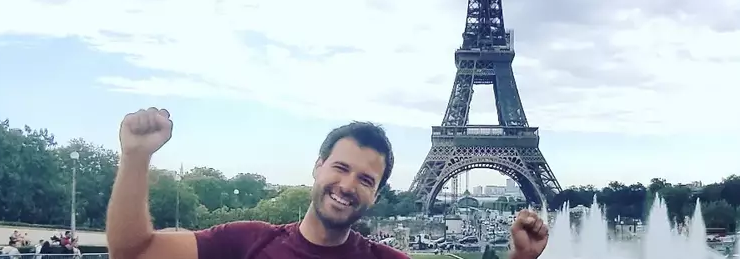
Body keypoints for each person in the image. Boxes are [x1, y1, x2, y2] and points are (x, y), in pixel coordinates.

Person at [106, 108, 549, 259]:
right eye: (340, 168)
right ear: (318, 167)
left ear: (375, 194)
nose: (347, 184)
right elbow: (132, 252)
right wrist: (136, 157)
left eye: (365, 179)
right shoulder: (244, 242)